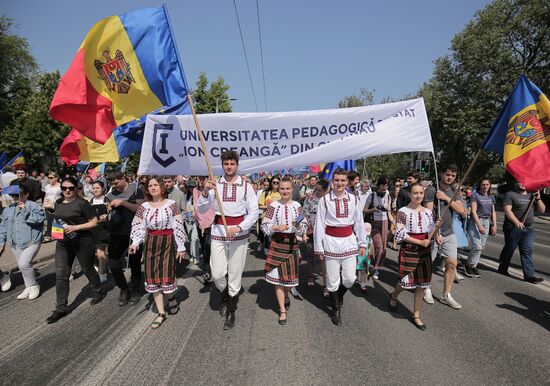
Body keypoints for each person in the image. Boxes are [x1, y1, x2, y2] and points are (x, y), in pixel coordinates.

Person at [198, 151, 259, 330]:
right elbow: (201, 209)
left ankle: (231, 310)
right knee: (217, 273)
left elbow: (254, 212)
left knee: (234, 273)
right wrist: (205, 191)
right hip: (218, 231)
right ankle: (224, 294)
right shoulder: (214, 184)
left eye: (232, 164)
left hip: (238, 235)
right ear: (222, 165)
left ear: (237, 165)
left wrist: (239, 227)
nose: (229, 167)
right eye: (226, 164)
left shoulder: (246, 187)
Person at [129, 176, 187, 329]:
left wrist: (181, 246)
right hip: (151, 243)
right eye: (150, 185)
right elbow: (137, 226)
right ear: (147, 189)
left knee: (166, 277)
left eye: (156, 185)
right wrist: (135, 243)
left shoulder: (171, 205)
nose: (153, 187)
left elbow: (178, 225)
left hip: (167, 242)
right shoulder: (144, 207)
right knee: (152, 277)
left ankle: (171, 297)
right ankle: (161, 313)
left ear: (162, 188)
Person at [46, 177, 105, 323]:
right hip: (63, 243)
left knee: (87, 268)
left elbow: (94, 222)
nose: (67, 191)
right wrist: (51, 210)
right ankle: (60, 308)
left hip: (82, 242)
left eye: (71, 188)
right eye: (64, 188)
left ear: (76, 188)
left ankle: (97, 290)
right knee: (61, 275)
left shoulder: (82, 203)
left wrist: (76, 227)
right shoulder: (59, 202)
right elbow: (58, 218)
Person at [314, 168, 367, 326]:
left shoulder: (354, 199)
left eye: (343, 180)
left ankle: (338, 295)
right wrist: (318, 247)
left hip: (349, 241)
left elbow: (359, 222)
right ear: (332, 181)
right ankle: (336, 309)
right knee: (333, 280)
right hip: (331, 242)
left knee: (350, 279)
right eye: (336, 180)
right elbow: (319, 225)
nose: (339, 183)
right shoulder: (325, 200)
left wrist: (362, 242)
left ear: (347, 181)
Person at [389, 183, 442, 330]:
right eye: (415, 193)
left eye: (421, 193)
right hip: (410, 248)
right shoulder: (403, 211)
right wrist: (419, 241)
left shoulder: (427, 212)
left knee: (421, 285)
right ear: (410, 194)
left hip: (424, 250)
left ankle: (416, 315)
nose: (418, 196)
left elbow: (430, 231)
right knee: (405, 282)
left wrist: (437, 229)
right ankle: (394, 296)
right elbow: (399, 234)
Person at [262, 177, 307, 325]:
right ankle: (282, 310)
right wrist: (275, 227)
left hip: (292, 244)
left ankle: (286, 296)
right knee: (278, 281)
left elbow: (304, 224)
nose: (285, 191)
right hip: (277, 243)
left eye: (288, 188)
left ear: (292, 189)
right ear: (278, 189)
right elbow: (264, 226)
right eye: (282, 188)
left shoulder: (297, 206)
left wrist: (299, 227)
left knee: (288, 282)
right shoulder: (273, 206)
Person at [423, 164, 465, 309]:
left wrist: (447, 198)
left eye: (453, 176)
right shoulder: (432, 189)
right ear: (441, 173)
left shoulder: (454, 191)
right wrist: (436, 234)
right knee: (429, 261)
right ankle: (426, 287)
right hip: (433, 232)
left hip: (449, 232)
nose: (450, 178)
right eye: (448, 174)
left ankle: (446, 295)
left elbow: (461, 210)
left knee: (452, 263)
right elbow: (428, 214)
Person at [0, 184, 45, 300]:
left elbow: (38, 220)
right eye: (13, 195)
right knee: (22, 266)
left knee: (23, 264)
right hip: (15, 243)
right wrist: (2, 242)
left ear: (26, 194)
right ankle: (28, 287)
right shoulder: (8, 209)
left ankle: (34, 285)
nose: (15, 197)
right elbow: (3, 227)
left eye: (18, 195)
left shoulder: (34, 206)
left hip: (32, 241)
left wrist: (24, 210)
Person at [106, 171, 144, 306]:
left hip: (134, 233)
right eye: (111, 183)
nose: (114, 186)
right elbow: (106, 213)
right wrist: (107, 210)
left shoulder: (136, 189)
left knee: (134, 263)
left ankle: (135, 289)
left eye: (116, 182)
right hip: (116, 233)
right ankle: (123, 288)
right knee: (113, 264)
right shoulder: (110, 195)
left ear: (123, 178)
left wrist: (123, 203)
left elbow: (141, 208)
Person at [498, 176, 545, 283]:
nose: (522, 184)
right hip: (513, 227)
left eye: (524, 182)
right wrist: (516, 222)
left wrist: (538, 198)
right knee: (510, 248)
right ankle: (503, 267)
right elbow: (507, 211)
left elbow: (542, 210)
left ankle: (529, 275)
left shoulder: (531, 195)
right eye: (520, 182)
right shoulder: (510, 195)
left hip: (529, 229)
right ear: (515, 183)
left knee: (527, 251)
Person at [302, 179, 330, 297]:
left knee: (324, 259)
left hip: (325, 232)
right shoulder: (310, 198)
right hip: (311, 231)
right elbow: (304, 214)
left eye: (320, 190)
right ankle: (311, 275)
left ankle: (325, 284)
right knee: (311, 256)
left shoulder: (329, 200)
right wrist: (303, 232)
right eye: (316, 190)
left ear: (326, 190)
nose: (317, 192)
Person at [464, 178, 497, 278]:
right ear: (480, 185)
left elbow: (493, 212)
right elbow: (473, 211)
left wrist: (495, 225)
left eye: (487, 184)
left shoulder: (491, 197)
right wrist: (479, 225)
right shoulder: (475, 195)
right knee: (477, 246)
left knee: (481, 247)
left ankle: (474, 266)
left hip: (486, 221)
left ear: (490, 185)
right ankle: (468, 265)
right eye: (483, 184)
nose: (485, 186)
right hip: (475, 221)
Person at [363, 176, 394, 280]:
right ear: (378, 185)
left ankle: (376, 267)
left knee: (384, 248)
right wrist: (374, 210)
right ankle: (373, 265)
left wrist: (395, 222)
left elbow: (389, 213)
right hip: (374, 223)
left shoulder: (389, 197)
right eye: (383, 185)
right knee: (379, 247)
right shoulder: (371, 196)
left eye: (386, 185)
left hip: (385, 223)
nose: (385, 187)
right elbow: (364, 210)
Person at [193, 176, 215, 283]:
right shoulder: (195, 190)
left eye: (203, 178)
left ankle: (210, 269)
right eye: (199, 178)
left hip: (212, 223)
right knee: (204, 249)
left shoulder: (212, 190)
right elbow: (197, 207)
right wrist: (199, 222)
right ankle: (207, 269)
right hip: (200, 224)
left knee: (209, 245)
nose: (201, 180)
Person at [89, 181, 110, 283]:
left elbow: (113, 214)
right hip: (93, 230)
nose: (96, 190)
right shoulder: (90, 201)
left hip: (105, 229)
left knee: (100, 251)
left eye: (98, 188)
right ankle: (105, 266)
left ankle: (102, 273)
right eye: (94, 188)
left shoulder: (107, 200)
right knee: (97, 253)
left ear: (103, 189)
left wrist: (108, 215)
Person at [42, 172, 62, 243]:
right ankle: (48, 236)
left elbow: (62, 196)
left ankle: (58, 236)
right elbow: (46, 195)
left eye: (51, 177)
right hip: (48, 206)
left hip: (57, 205)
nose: (49, 179)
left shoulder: (60, 186)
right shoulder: (47, 186)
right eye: (48, 177)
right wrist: (43, 204)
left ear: (56, 178)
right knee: (49, 221)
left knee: (57, 220)